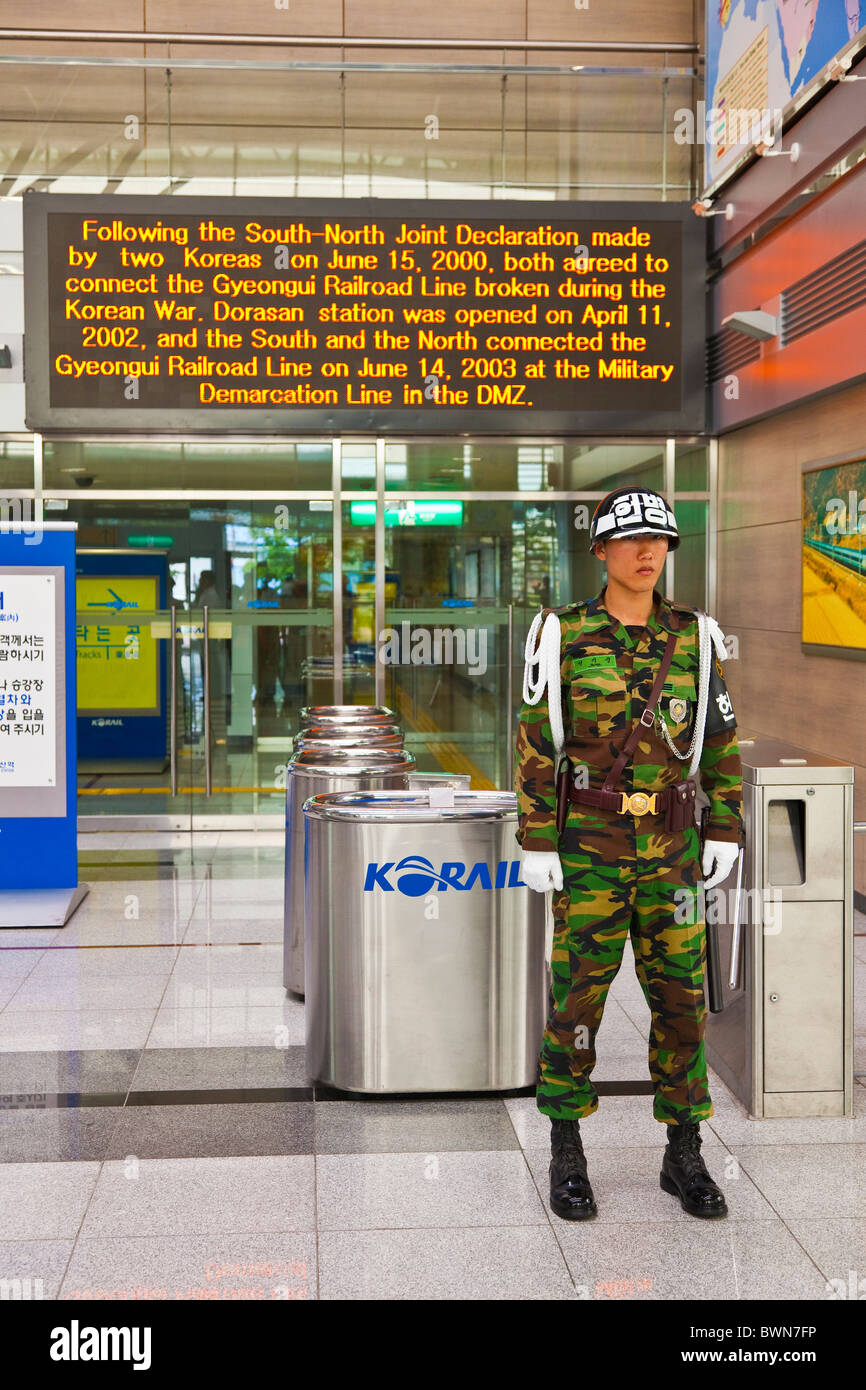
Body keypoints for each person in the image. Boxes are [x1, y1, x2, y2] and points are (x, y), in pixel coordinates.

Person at [515, 486, 743, 1222]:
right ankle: (567, 1148)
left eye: (660, 540)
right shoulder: (561, 633)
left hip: (672, 848)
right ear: (602, 549)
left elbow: (722, 742)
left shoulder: (697, 637)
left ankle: (684, 1152)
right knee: (578, 998)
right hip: (588, 847)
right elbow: (536, 743)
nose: (648, 552)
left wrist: (726, 829)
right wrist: (537, 838)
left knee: (681, 1000)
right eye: (632, 539)